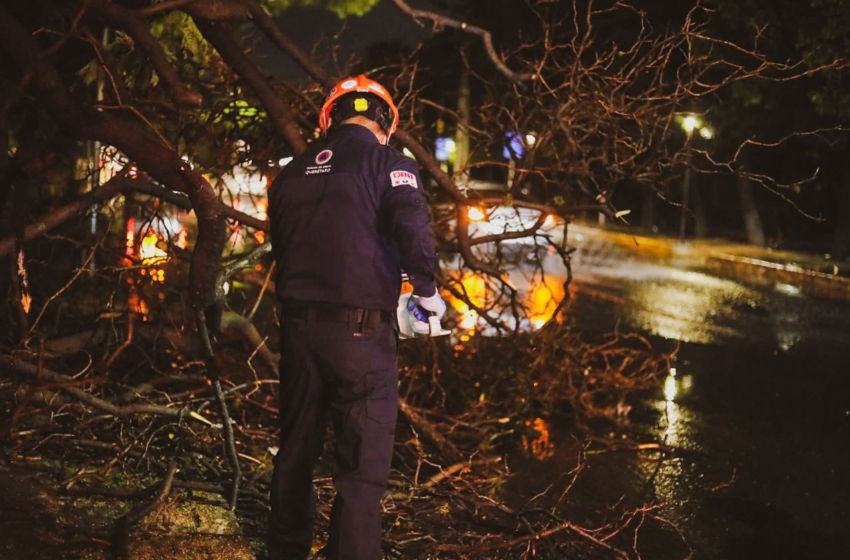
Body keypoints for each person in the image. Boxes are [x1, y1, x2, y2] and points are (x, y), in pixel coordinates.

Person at [266, 75, 446, 560]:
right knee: (362, 471)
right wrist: (425, 291)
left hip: (299, 331)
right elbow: (412, 225)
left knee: (296, 449)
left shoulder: (290, 172)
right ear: (386, 122)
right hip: (363, 335)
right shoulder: (391, 164)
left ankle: (285, 551)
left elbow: (283, 248)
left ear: (330, 119)